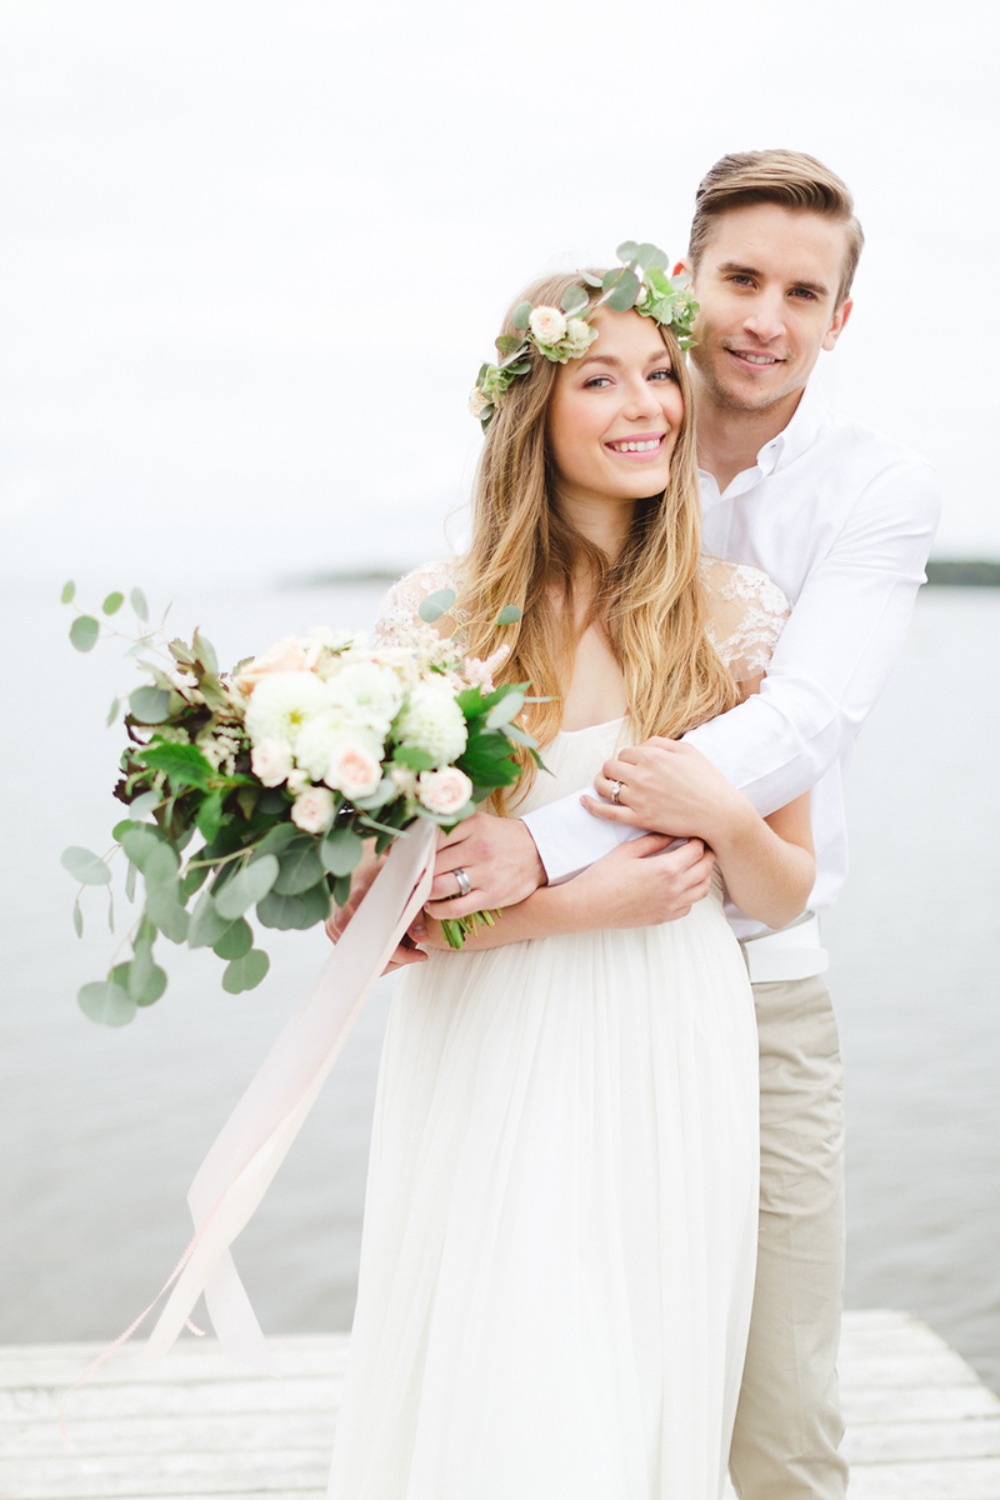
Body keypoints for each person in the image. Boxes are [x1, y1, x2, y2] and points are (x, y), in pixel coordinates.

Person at [423, 152, 942, 1500]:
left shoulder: (862, 497)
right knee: (558, 1392)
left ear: (841, 318)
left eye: (804, 291)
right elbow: (416, 892)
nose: (766, 316)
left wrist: (556, 850)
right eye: (742, 278)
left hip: (746, 999)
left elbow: (803, 732)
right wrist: (542, 890)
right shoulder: (507, 567)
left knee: (771, 1421)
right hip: (538, 1020)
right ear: (690, 281)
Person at [325, 252, 815, 1499]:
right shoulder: (439, 622)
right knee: (510, 1373)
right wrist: (575, 901)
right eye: (600, 378)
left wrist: (718, 820)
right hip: (491, 1042)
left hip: (668, 1038)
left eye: (661, 373)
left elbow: (780, 887)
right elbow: (373, 927)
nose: (647, 403)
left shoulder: (733, 616)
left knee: (634, 1374)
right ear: (529, 410)